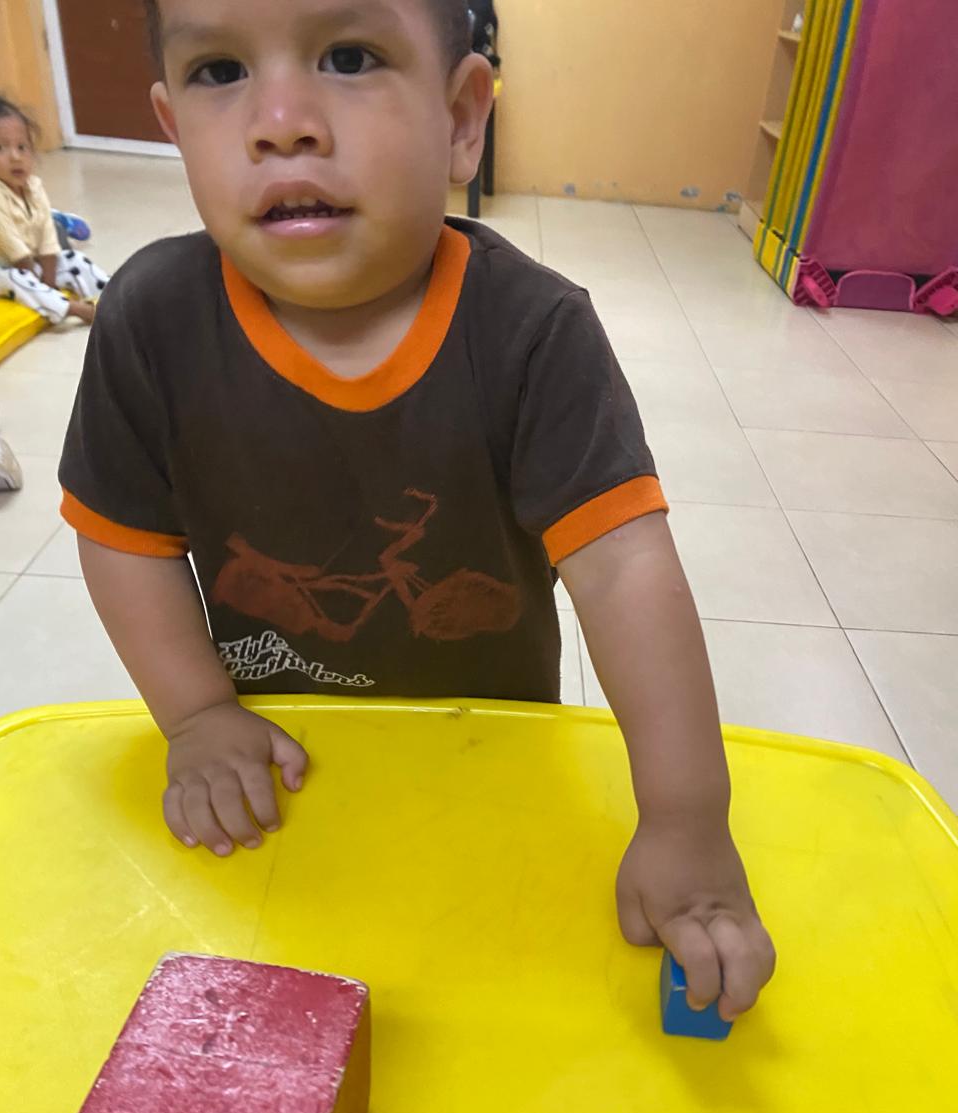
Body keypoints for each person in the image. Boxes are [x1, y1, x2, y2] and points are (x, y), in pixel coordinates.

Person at [59, 0, 776, 1022]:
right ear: (175, 129)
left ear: (462, 117)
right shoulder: (150, 319)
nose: (280, 123)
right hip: (283, 770)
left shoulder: (533, 333)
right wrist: (198, 714)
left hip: (488, 758)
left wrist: (686, 820)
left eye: (349, 56)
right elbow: (123, 537)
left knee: (490, 1007)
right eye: (221, 71)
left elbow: (624, 569)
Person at [0, 97, 109, 326]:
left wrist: (49, 279)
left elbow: (47, 237)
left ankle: (115, 295)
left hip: (31, 260)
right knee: (17, 278)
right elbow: (14, 250)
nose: (15, 157)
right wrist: (43, 287)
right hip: (6, 267)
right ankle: (77, 310)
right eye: (0, 148)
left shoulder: (34, 186)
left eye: (22, 147)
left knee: (74, 259)